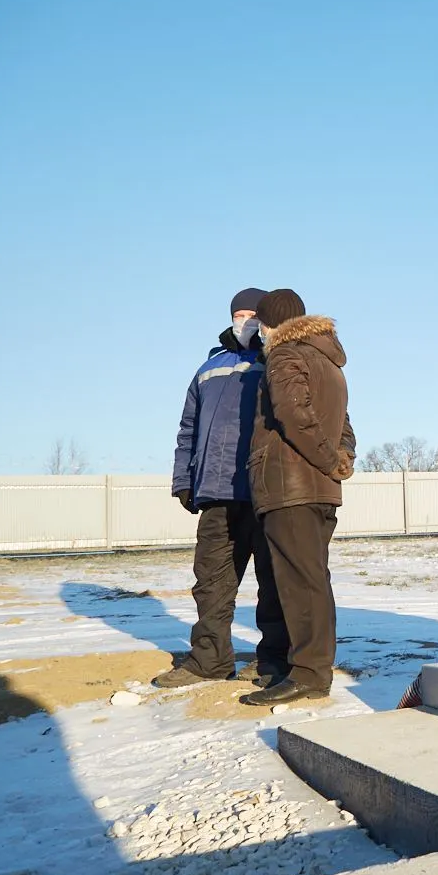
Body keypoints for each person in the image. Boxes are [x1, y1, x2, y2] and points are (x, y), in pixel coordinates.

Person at [155, 289, 291, 690]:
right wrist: (184, 480)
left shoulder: (279, 361)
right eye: (240, 313)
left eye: (254, 314)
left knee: (274, 583)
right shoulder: (207, 368)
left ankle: (274, 662)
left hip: (266, 491)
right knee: (211, 582)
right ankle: (209, 660)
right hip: (216, 492)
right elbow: (187, 430)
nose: (246, 320)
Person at [241, 289, 356, 707]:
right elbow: (346, 426)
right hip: (319, 490)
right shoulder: (329, 361)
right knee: (308, 579)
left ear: (271, 324)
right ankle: (302, 667)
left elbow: (292, 413)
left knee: (300, 582)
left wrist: (327, 460)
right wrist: (340, 462)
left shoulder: (285, 354)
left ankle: (309, 674)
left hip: (291, 486)